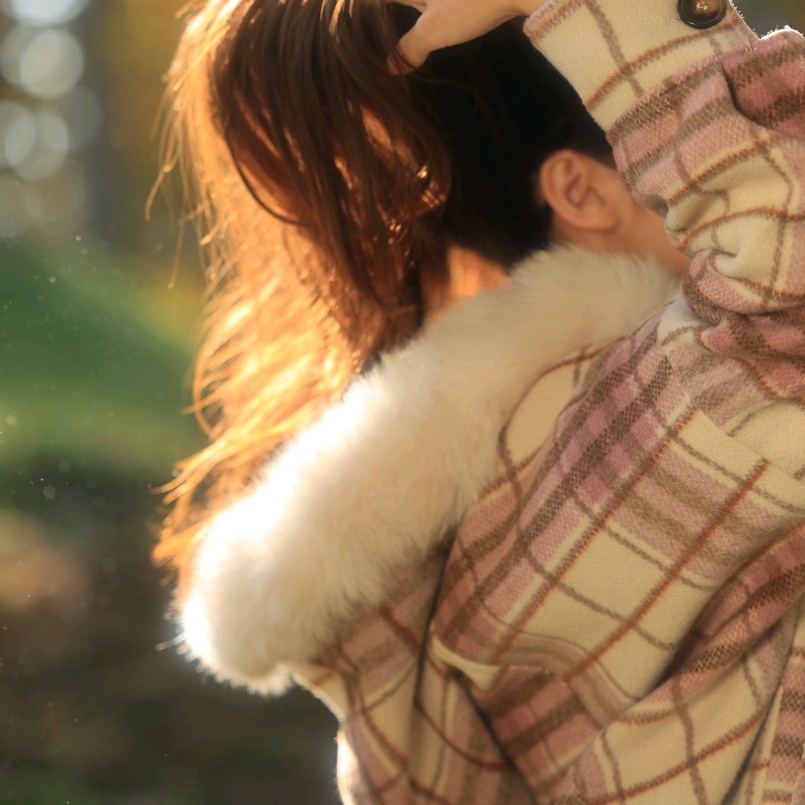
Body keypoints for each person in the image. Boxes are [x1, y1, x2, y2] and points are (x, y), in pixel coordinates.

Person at [156, 0, 805, 801]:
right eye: (679, 156)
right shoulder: (642, 414)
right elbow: (785, 254)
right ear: (581, 188)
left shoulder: (476, 491)